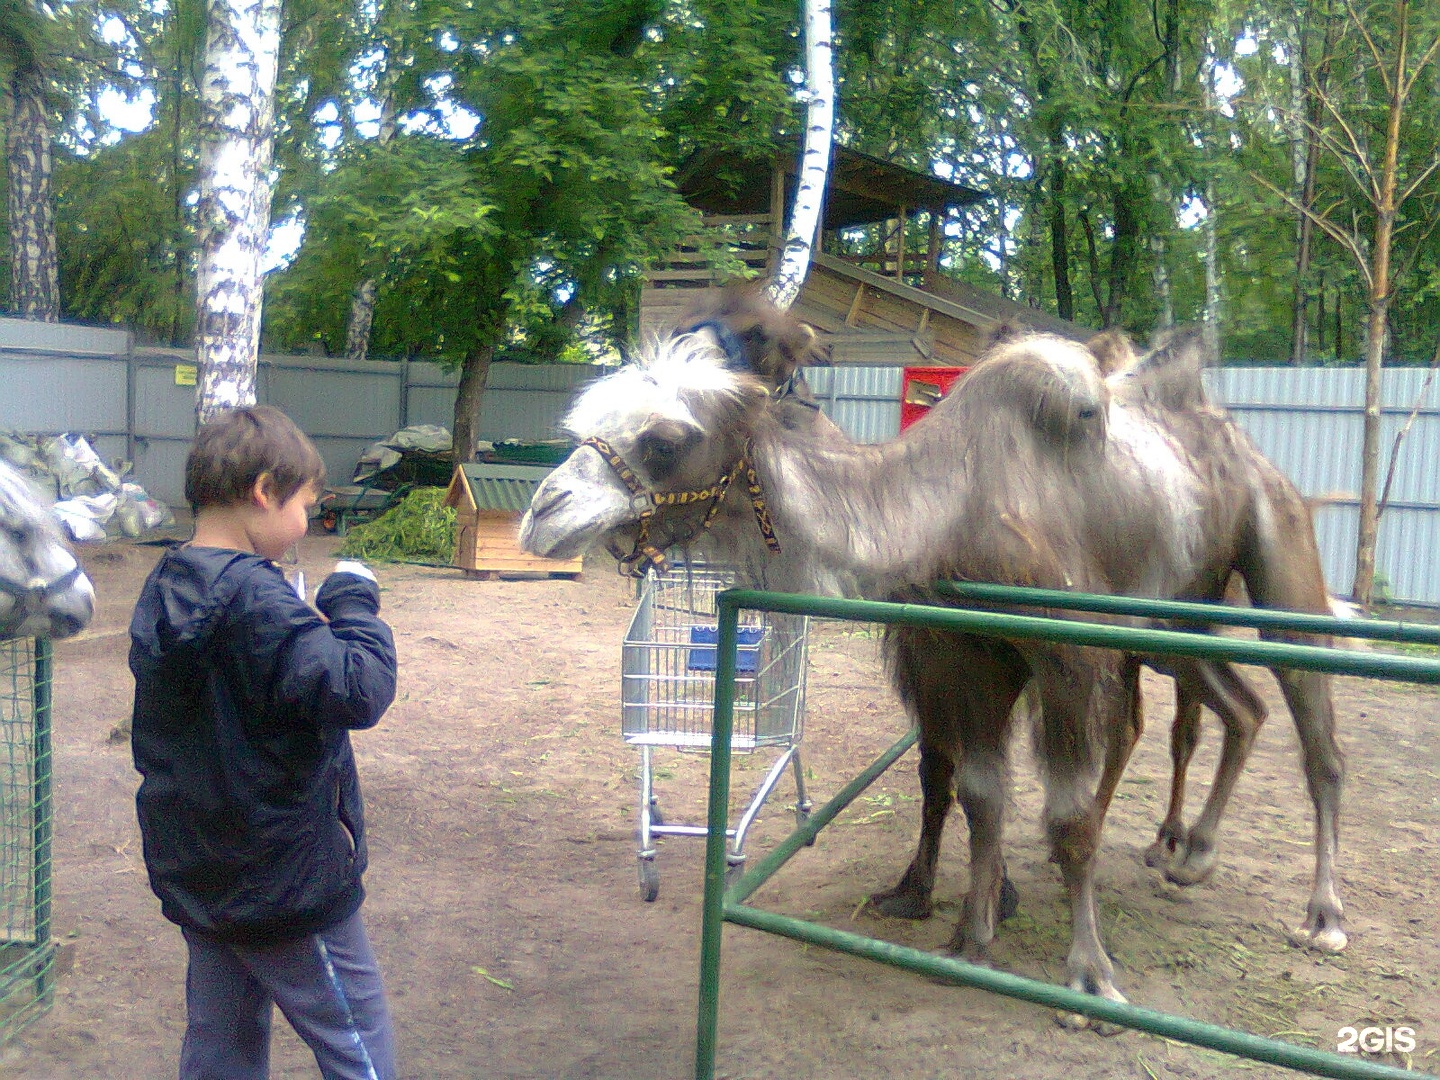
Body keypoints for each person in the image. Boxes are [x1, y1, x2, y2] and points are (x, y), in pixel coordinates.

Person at [129, 405, 398, 1080]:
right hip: (287, 885)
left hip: (205, 869)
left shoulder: (170, 582)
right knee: (355, 1035)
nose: (308, 523)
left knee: (221, 1040)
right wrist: (353, 606)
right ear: (264, 491)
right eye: (307, 504)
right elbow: (358, 688)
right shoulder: (259, 603)